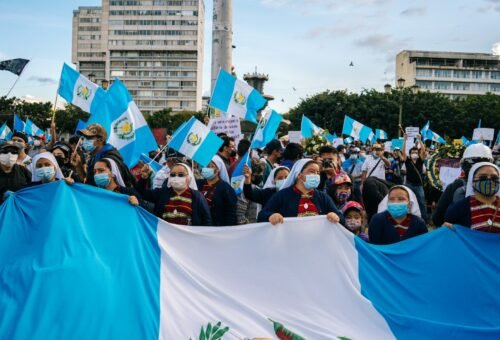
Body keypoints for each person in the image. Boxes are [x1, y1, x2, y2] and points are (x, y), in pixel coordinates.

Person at [258, 159, 343, 225]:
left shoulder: (323, 197)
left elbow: (341, 218)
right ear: (299, 174)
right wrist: (271, 216)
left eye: (318, 172)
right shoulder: (282, 195)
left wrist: (335, 216)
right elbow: (262, 215)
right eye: (312, 171)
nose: (316, 175)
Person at [432, 143, 494, 227]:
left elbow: (438, 218)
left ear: (464, 165)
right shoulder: (495, 187)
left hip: (460, 238)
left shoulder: (456, 186)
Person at [135, 162, 212, 226]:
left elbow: (206, 221)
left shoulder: (197, 197)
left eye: (181, 175)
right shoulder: (162, 193)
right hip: (165, 240)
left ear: (189, 177)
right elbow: (141, 193)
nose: (176, 177)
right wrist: (143, 178)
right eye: (173, 174)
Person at [444, 162, 499, 233]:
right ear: (472, 181)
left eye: (494, 177)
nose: (489, 180)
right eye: (483, 177)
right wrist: (446, 229)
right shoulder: (459, 207)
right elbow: (449, 232)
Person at [196, 155, 237, 226]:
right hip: (200, 226)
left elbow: (231, 213)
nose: (206, 169)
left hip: (217, 228)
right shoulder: (197, 184)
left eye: (210, 166)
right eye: (205, 166)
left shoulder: (226, 189)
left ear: (217, 170)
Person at [402, 133, 427, 222]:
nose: (415, 153)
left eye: (416, 152)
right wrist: (405, 140)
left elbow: (423, 151)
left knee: (422, 203)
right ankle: (406, 219)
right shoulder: (407, 161)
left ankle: (424, 220)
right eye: (413, 152)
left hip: (419, 185)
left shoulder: (420, 161)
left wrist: (420, 140)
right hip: (409, 184)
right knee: (407, 202)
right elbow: (403, 152)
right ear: (410, 154)